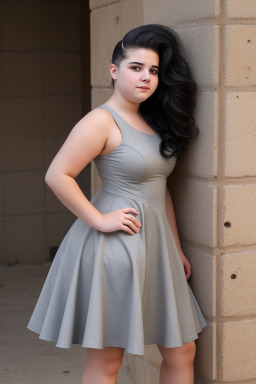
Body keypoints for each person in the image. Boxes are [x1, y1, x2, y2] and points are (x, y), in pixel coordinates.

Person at [27, 24, 208, 384]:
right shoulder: (100, 121)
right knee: (109, 360)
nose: (146, 77)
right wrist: (99, 220)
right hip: (118, 248)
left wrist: (175, 248)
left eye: (153, 71)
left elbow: (161, 188)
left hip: (156, 247)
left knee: (183, 350)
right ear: (114, 71)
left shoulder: (152, 121)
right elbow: (57, 174)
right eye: (136, 67)